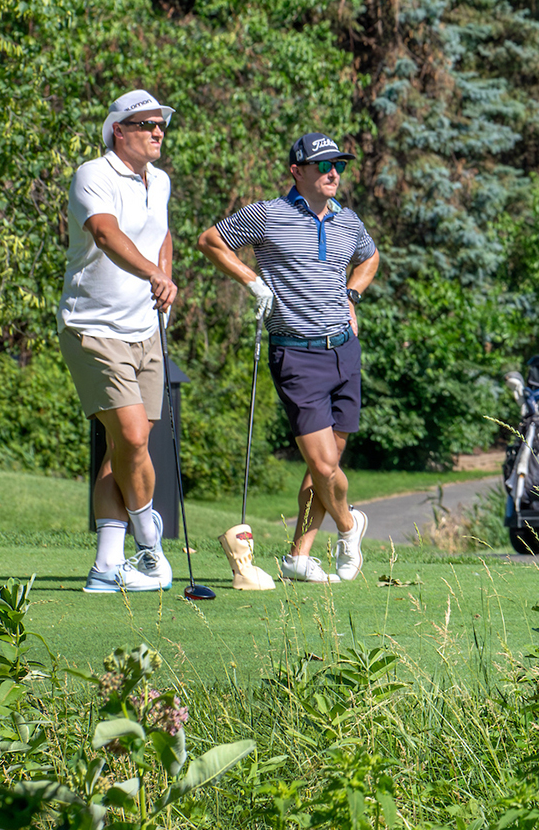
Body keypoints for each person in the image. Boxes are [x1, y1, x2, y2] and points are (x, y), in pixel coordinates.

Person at [197, 133, 380, 583]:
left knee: (324, 468)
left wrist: (352, 294)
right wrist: (251, 281)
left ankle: (298, 556)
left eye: (338, 165)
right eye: (323, 165)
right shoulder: (268, 214)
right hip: (296, 355)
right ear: (297, 171)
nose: (333, 172)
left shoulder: (347, 220)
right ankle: (350, 526)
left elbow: (370, 258)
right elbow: (210, 241)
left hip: (344, 351)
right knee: (324, 466)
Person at [61, 90, 179, 593]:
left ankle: (106, 567)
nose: (157, 131)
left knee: (124, 450)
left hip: (146, 330)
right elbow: (106, 234)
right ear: (119, 131)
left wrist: (164, 279)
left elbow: (162, 234)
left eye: (160, 124)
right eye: (146, 124)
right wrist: (153, 272)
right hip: (94, 328)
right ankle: (151, 546)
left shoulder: (161, 180)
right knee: (131, 438)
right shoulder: (93, 174)